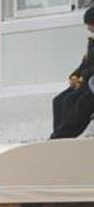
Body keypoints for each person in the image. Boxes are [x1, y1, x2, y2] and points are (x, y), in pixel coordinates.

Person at [51, 7, 94, 139]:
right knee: (58, 100)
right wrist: (75, 75)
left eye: (90, 24)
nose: (89, 28)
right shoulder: (91, 42)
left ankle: (64, 136)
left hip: (90, 82)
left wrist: (82, 78)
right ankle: (58, 134)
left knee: (71, 101)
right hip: (85, 80)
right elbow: (86, 63)